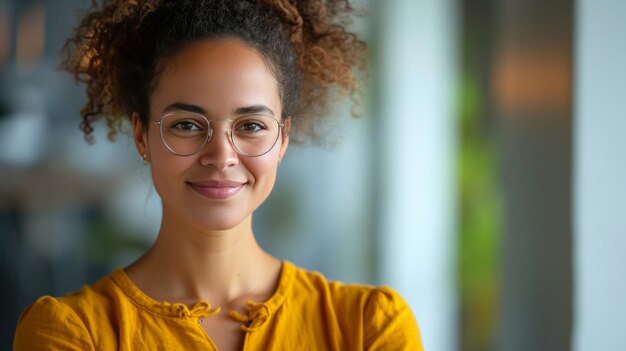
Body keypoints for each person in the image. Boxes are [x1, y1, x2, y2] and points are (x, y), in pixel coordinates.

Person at [13, 0, 423, 349]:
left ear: (283, 139)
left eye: (250, 126)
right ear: (141, 135)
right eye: (187, 125)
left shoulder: (368, 328)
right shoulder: (71, 332)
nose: (221, 155)